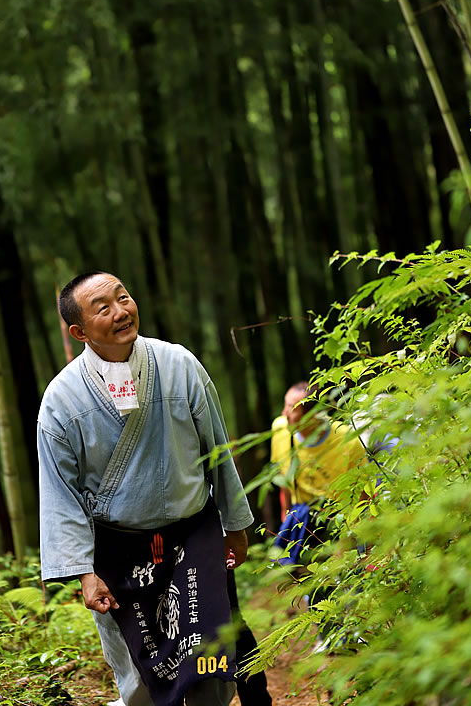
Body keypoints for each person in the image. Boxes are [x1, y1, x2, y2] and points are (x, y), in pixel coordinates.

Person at [38, 271, 254, 706]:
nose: (122, 311)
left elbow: (217, 450)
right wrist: (84, 571)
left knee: (211, 664)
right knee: (138, 679)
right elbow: (60, 495)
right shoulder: (61, 402)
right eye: (104, 307)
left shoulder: (179, 365)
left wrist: (235, 524)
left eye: (124, 297)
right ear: (78, 330)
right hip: (119, 552)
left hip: (192, 535)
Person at [270, 381, 366, 566]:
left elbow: (362, 497)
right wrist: (286, 517)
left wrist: (346, 541)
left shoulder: (347, 441)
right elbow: (284, 476)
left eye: (291, 408)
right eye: (285, 405)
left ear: (313, 415)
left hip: (339, 522)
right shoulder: (281, 430)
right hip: (303, 519)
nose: (284, 414)